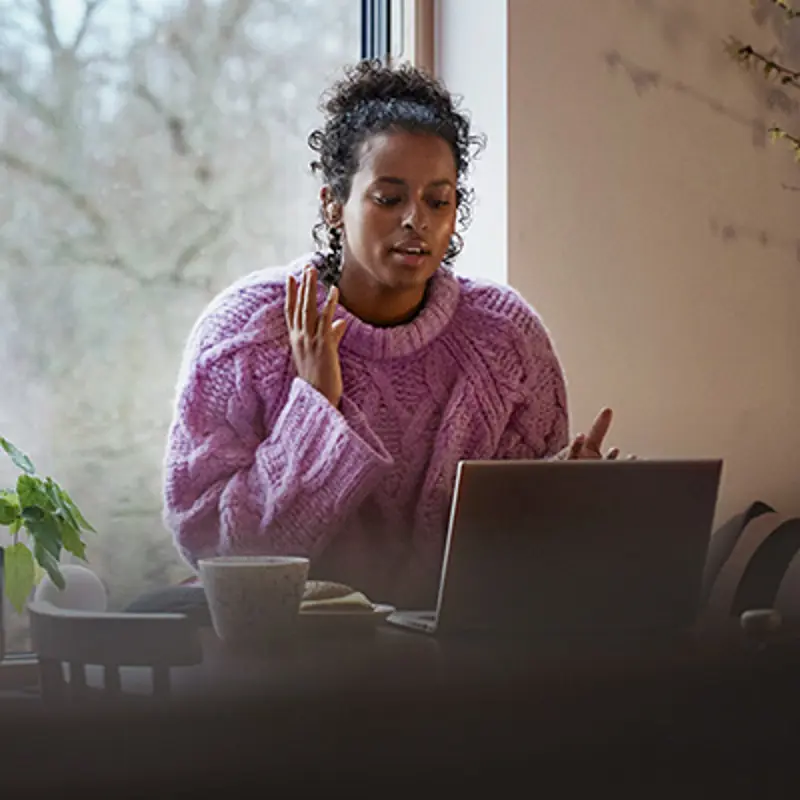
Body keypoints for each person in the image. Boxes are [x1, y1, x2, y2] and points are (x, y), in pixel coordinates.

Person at [162, 60, 621, 610]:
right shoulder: (246, 333)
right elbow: (213, 547)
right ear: (334, 204)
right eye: (389, 197)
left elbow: (525, 577)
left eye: (438, 200)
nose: (416, 221)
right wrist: (313, 410)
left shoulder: (506, 338)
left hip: (454, 665)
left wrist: (564, 497)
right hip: (294, 659)